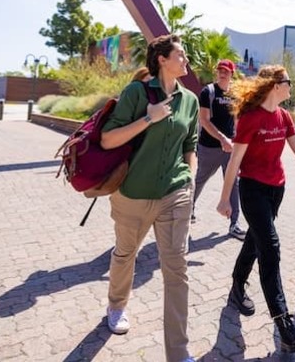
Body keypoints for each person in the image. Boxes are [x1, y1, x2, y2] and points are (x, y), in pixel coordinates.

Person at [216, 65, 295, 353]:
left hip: (276, 190)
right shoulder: (250, 117)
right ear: (276, 85)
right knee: (270, 247)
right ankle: (284, 324)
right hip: (253, 190)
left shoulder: (282, 116)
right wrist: (225, 200)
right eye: (289, 82)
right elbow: (234, 162)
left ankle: (237, 285)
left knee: (256, 239)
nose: (291, 87)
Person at [100, 34, 199, 362]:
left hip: (176, 193)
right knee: (126, 254)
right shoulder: (137, 93)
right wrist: (148, 118)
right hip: (134, 195)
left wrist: (190, 183)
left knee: (177, 269)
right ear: (161, 59)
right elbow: (108, 139)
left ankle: (178, 353)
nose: (186, 61)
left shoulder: (190, 101)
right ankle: (116, 306)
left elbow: (190, 146)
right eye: (181, 55)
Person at [191, 59, 246, 240]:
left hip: (230, 148)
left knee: (233, 183)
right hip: (209, 147)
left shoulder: (235, 95)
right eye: (220, 70)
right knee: (200, 179)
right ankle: (188, 209)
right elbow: (204, 120)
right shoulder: (209, 92)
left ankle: (234, 223)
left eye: (226, 71)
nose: (222, 73)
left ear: (231, 73)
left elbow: (237, 120)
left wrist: (238, 140)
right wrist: (222, 139)